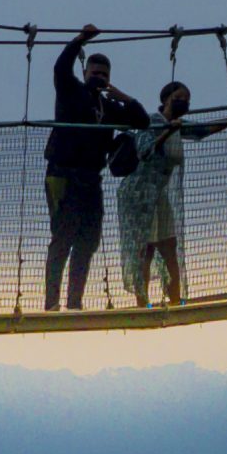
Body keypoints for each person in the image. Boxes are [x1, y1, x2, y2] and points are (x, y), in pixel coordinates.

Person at [42, 24, 148, 312]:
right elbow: (61, 68)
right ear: (85, 72)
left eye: (104, 75)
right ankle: (51, 303)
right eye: (94, 73)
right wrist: (79, 40)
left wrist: (118, 94)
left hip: (91, 179)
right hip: (62, 174)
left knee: (88, 242)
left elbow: (142, 121)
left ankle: (74, 302)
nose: (98, 78)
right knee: (62, 239)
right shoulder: (70, 91)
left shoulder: (109, 106)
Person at [116, 79, 227, 307]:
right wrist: (168, 133)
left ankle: (176, 297)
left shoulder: (177, 124)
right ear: (166, 100)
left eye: (187, 100)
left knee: (169, 246)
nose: (183, 103)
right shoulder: (151, 122)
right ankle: (143, 302)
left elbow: (204, 130)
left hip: (158, 195)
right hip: (139, 196)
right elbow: (145, 151)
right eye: (178, 99)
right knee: (145, 248)